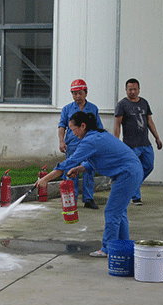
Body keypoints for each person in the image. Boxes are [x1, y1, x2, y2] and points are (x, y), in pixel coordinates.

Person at [38, 111, 142, 257]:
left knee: (112, 212)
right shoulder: (97, 136)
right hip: (132, 171)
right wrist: (81, 168)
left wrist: (45, 179)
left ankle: (107, 248)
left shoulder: (90, 140)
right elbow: (102, 157)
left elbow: (68, 163)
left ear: (83, 126)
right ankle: (122, 245)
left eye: (74, 130)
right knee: (119, 212)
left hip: (127, 174)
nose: (73, 134)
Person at [114, 78, 163, 205]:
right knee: (134, 169)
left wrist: (157, 137)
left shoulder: (144, 103)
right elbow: (117, 124)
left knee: (149, 166)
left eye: (135, 89)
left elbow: (149, 121)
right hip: (131, 145)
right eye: (130, 89)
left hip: (145, 143)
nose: (132, 92)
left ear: (139, 89)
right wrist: (116, 142)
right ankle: (136, 196)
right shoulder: (122, 104)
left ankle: (132, 186)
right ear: (126, 90)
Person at [58, 79, 104, 209]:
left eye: (80, 93)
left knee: (89, 170)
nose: (77, 96)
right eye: (74, 93)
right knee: (71, 171)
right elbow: (62, 126)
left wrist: (99, 144)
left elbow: (98, 127)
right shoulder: (67, 109)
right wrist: (61, 141)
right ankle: (71, 199)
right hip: (72, 145)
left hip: (89, 146)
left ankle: (88, 199)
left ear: (86, 93)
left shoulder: (93, 108)